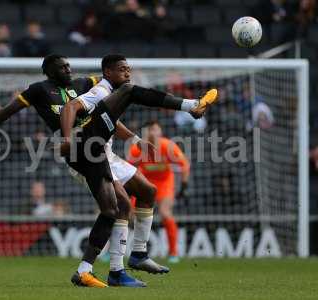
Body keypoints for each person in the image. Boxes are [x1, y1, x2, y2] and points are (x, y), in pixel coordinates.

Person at [60, 54, 218, 287]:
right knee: (121, 206)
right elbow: (70, 106)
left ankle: (138, 255)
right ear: (108, 73)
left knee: (147, 191)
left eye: (129, 69)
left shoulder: (111, 99)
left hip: (106, 154)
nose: (127, 73)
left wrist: (135, 139)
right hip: (89, 155)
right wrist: (65, 138)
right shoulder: (101, 92)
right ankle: (108, 271)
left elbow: (111, 122)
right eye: (122, 69)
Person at [128, 120, 190, 263]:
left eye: (156, 129)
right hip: (145, 182)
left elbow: (185, 165)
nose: (153, 133)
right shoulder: (138, 148)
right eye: (150, 130)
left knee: (165, 213)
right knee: (126, 213)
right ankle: (111, 250)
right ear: (145, 133)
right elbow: (129, 168)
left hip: (165, 183)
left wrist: (184, 186)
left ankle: (173, 252)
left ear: (160, 132)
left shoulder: (168, 146)